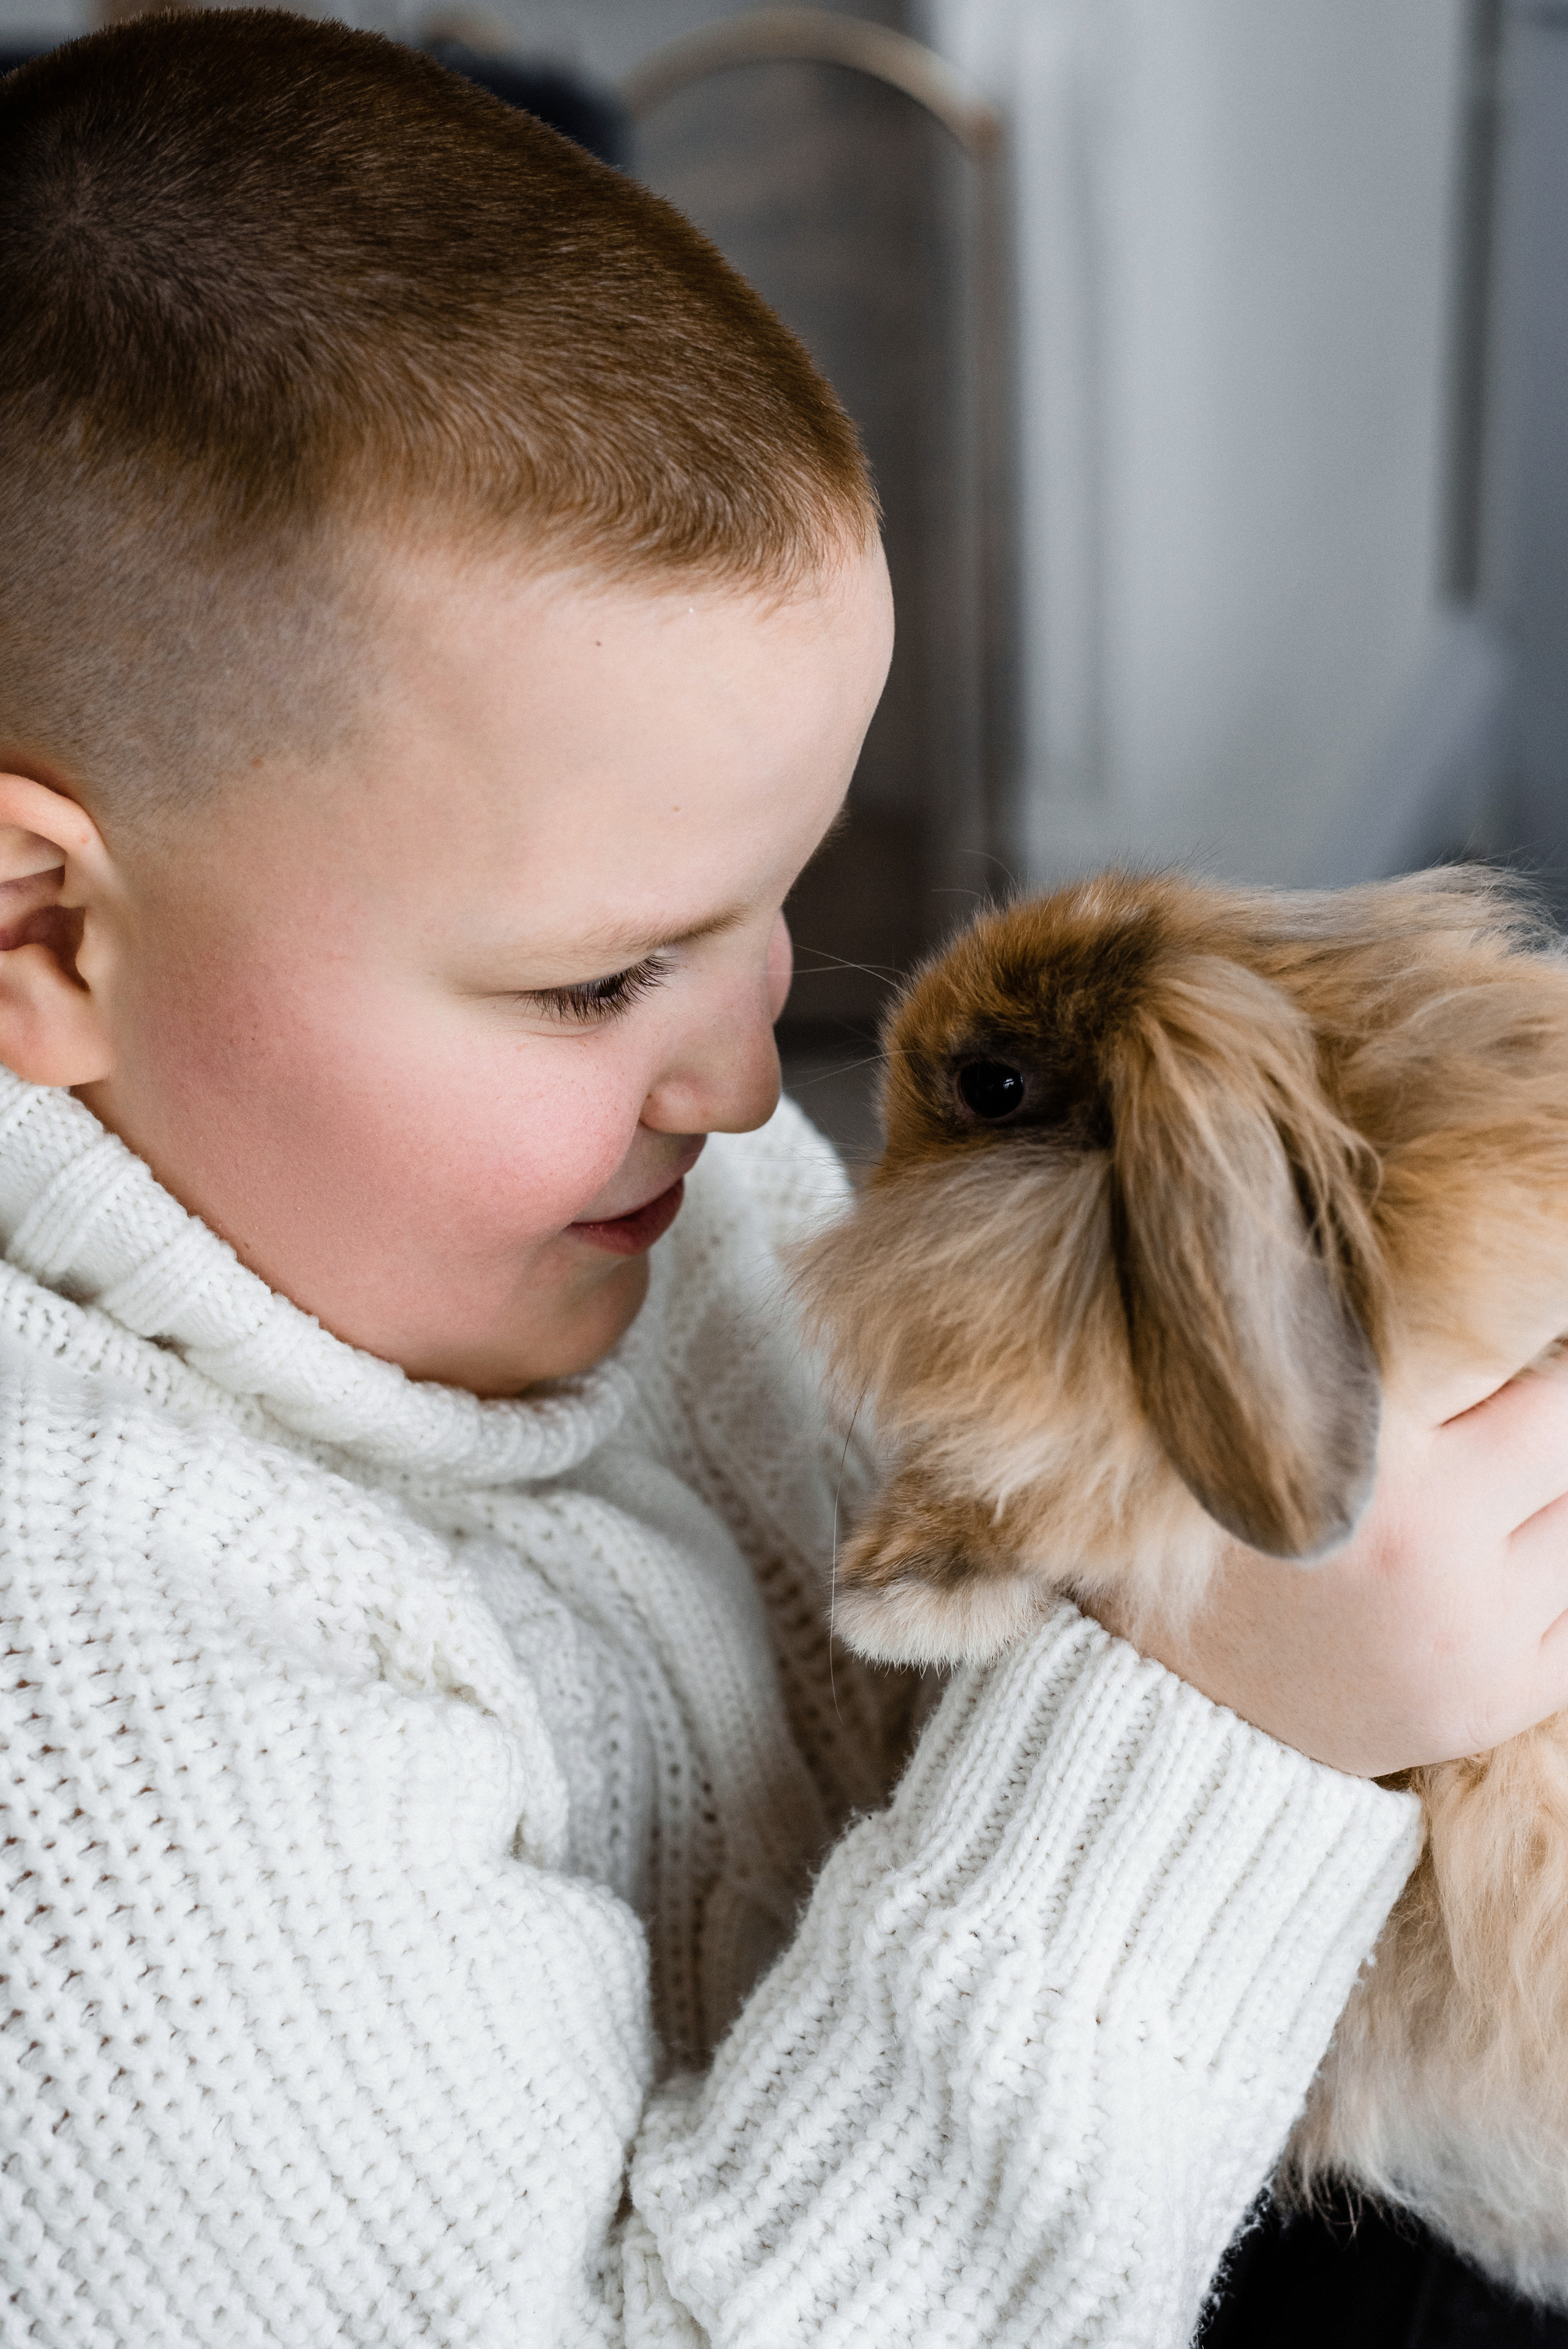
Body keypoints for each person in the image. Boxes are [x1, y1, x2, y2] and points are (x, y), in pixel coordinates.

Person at [3, 15, 1568, 2345]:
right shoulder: (90, 1717)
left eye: (773, 909)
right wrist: (1227, 1728)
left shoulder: (582, 1197)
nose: (752, 1082)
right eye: (606, 975)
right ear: (45, 932)